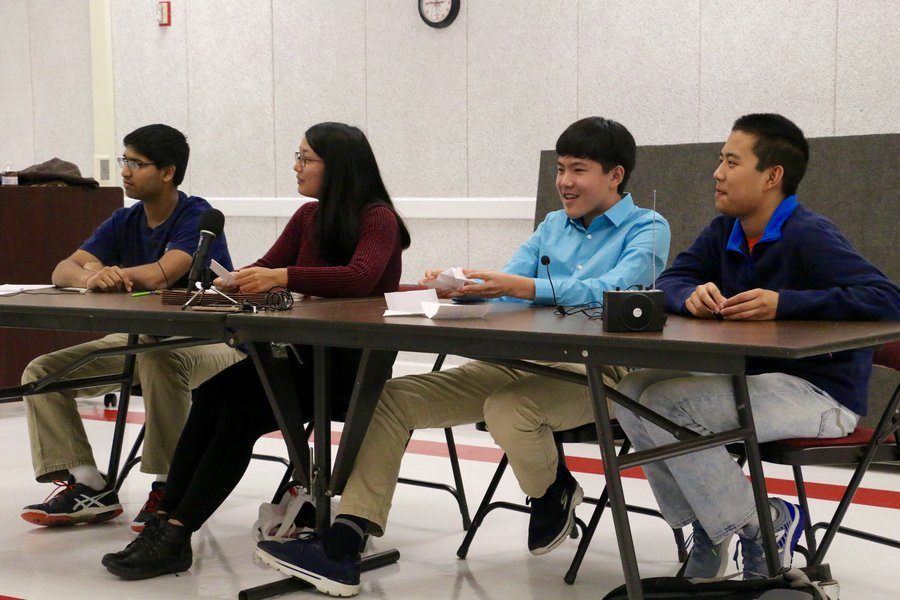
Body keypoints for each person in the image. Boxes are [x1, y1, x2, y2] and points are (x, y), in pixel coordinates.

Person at [255, 116, 671, 597]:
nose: (563, 182)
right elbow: (506, 286)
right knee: (391, 398)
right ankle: (345, 539)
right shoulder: (553, 224)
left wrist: (523, 287)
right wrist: (458, 288)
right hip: (517, 362)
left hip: (595, 371)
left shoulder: (649, 227)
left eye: (577, 170)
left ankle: (554, 488)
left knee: (509, 408)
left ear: (615, 175)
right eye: (559, 169)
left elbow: (613, 291)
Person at [101, 121, 411, 581]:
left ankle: (177, 534)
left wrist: (283, 277)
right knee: (211, 396)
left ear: (338, 167)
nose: (296, 165)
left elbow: (358, 278)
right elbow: (266, 266)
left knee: (239, 414)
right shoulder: (307, 217)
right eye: (298, 155)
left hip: (350, 368)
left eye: (306, 158)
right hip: (302, 357)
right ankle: (166, 524)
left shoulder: (377, 218)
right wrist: (235, 280)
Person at [614, 113, 900, 580]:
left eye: (731, 162)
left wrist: (786, 303)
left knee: (669, 403)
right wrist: (688, 295)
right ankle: (718, 526)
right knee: (629, 393)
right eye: (719, 160)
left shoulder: (808, 234)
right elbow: (669, 280)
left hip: (823, 398)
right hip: (755, 384)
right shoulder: (723, 231)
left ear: (771, 177)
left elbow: (889, 300)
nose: (717, 173)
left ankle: (761, 524)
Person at [20, 124, 244, 532]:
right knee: (42, 373)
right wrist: (90, 276)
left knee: (162, 361)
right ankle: (88, 484)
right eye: (124, 160)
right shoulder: (124, 220)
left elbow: (163, 274)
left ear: (167, 172)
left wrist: (109, 271)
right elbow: (61, 269)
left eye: (136, 164)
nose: (124, 171)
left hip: (213, 341)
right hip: (141, 339)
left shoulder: (197, 215)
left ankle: (169, 485)